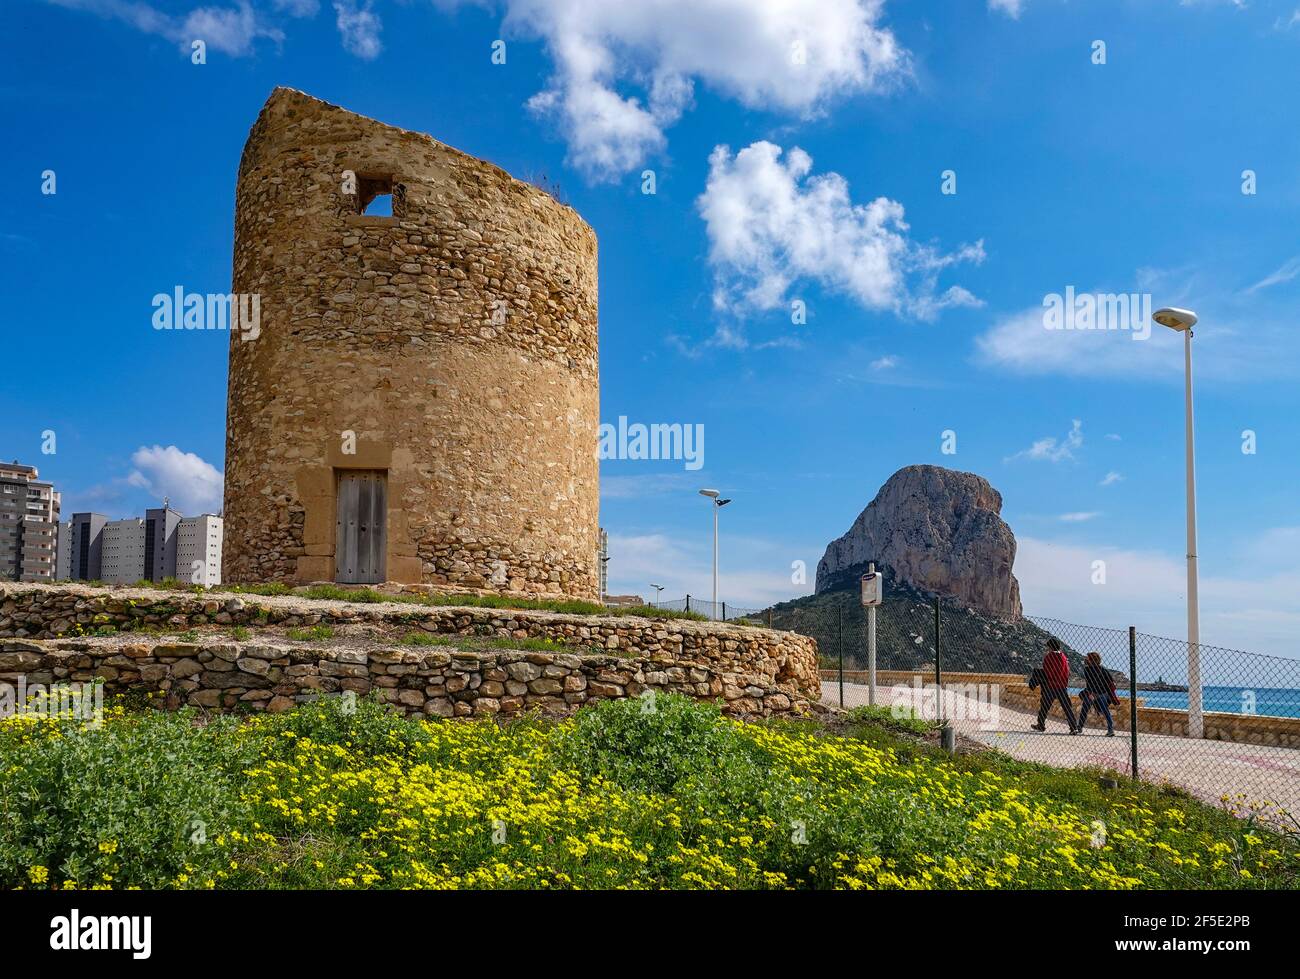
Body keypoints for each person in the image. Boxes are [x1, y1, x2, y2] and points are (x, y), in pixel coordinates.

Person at [1031, 638, 1078, 733]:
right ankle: (1073, 727)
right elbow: (1067, 671)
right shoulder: (1064, 657)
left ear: (1050, 647)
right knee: (1067, 708)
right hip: (1062, 686)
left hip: (1051, 686)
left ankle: (1041, 724)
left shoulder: (1048, 657)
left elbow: (1046, 670)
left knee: (1044, 706)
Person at [1077, 651, 1120, 736]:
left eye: (1087, 658)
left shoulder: (1087, 669)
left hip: (1092, 693)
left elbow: (1089, 683)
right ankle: (1111, 730)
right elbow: (1111, 682)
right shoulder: (1103, 669)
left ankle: (1080, 727)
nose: (1086, 659)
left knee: (1084, 710)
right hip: (1102, 693)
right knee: (1105, 711)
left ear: (1091, 660)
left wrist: (1090, 693)